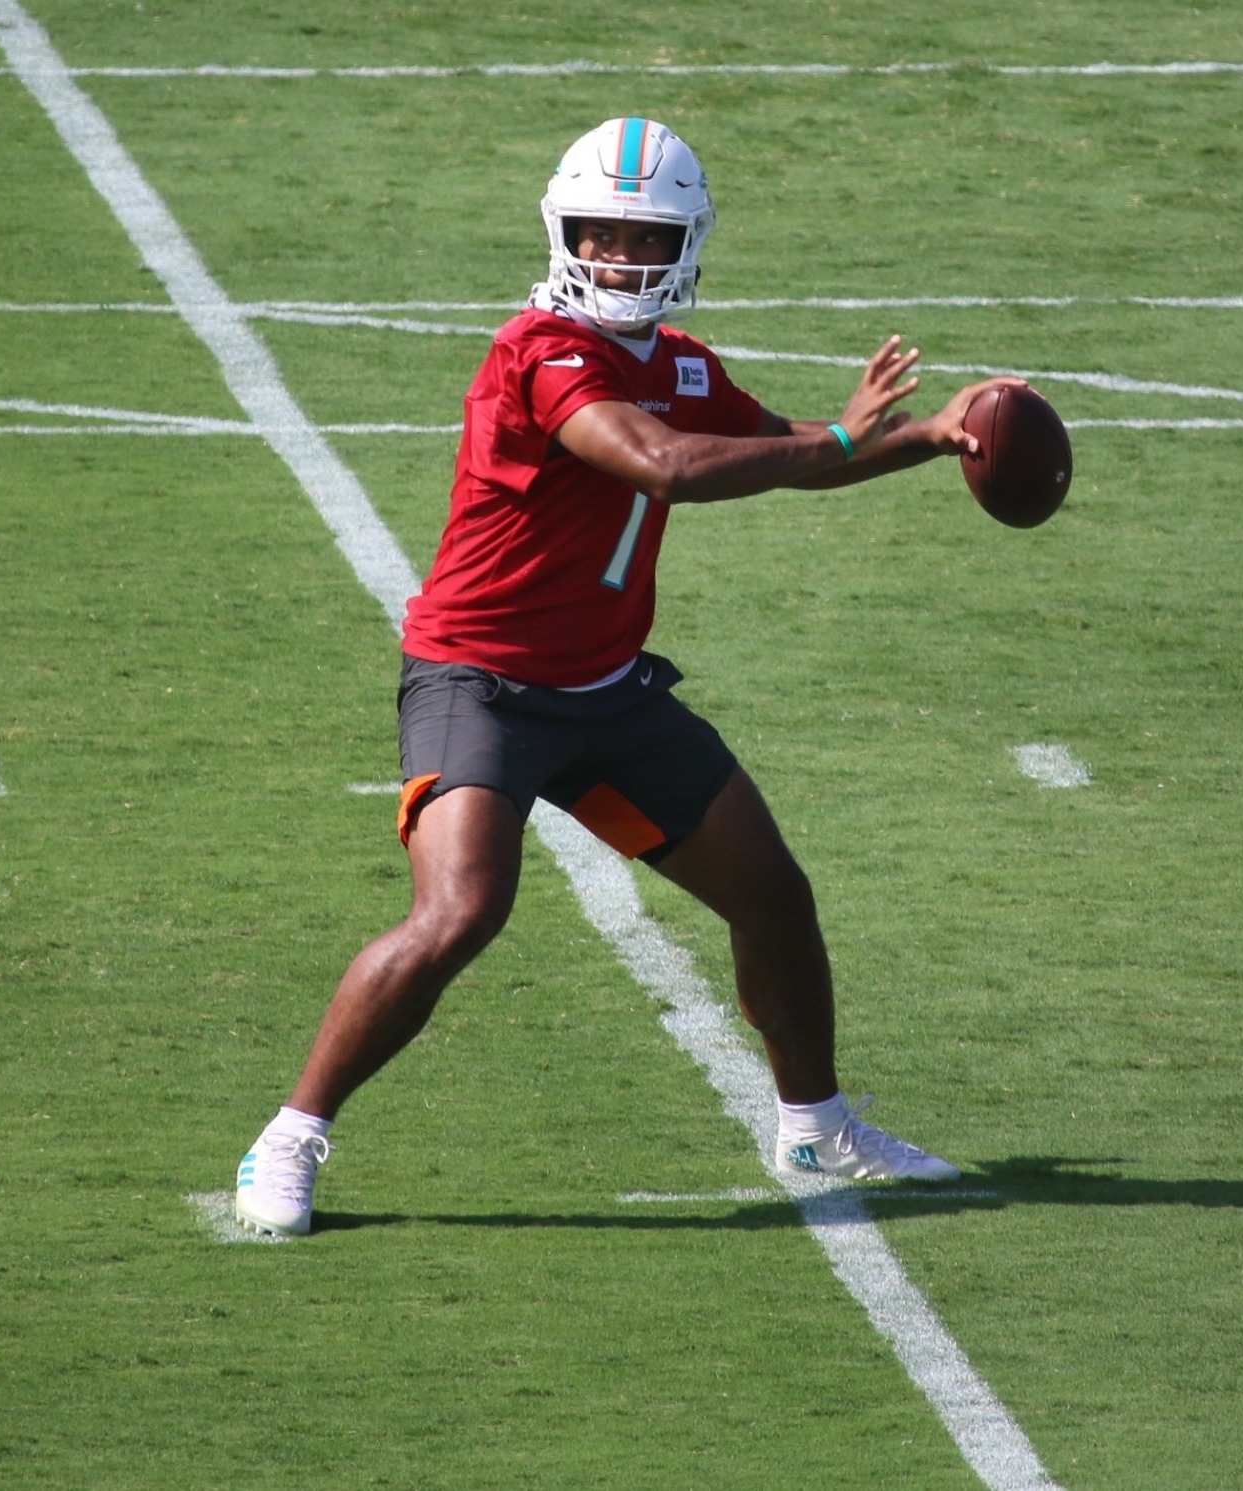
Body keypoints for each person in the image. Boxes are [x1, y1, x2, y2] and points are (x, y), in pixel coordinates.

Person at [236, 117, 1019, 1237]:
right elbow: (667, 464)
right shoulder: (539, 351)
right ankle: (291, 1138)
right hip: (482, 682)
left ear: (685, 244)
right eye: (599, 234)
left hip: (607, 692)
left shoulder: (680, 363)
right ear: (563, 233)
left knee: (773, 895)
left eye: (640, 237)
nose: (615, 256)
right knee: (459, 912)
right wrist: (845, 444)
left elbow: (790, 446)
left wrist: (931, 437)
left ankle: (818, 1122)